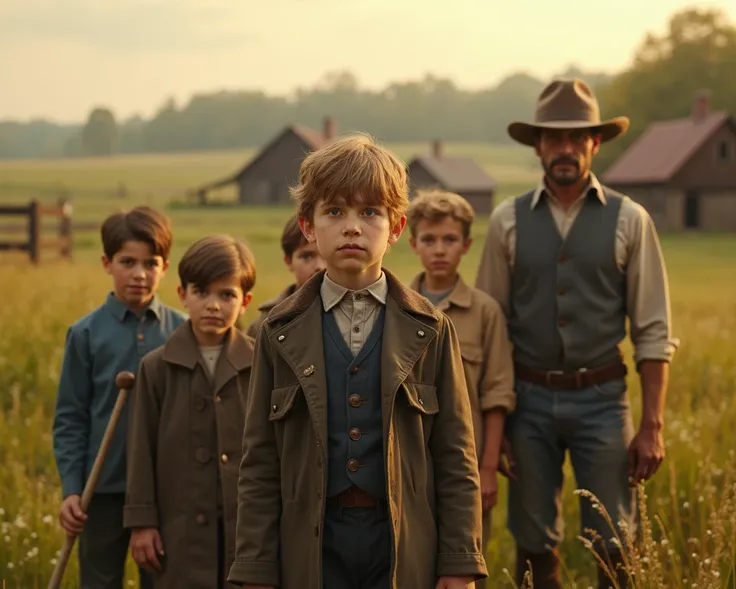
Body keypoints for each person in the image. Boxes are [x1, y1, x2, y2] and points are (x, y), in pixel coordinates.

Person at [228, 134, 488, 589]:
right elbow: (260, 463)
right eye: (335, 212)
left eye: (369, 212)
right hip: (310, 543)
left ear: (397, 227)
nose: (352, 227)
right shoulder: (277, 332)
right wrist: (256, 568)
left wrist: (459, 563)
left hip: (402, 543)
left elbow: (455, 457)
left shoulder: (432, 330)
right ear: (308, 227)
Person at [474, 78, 679, 589]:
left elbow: (653, 329)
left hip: (603, 400)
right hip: (527, 400)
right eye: (554, 138)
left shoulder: (631, 220)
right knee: (532, 539)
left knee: (616, 538)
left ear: (595, 143)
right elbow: (490, 327)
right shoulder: (507, 222)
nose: (565, 148)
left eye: (577, 137)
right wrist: (490, 429)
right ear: (538, 145)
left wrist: (651, 424)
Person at [52, 206, 187, 589]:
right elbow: (70, 418)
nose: (140, 274)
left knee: (164, 580)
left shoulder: (183, 332)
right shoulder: (85, 335)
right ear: (106, 263)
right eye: (128, 262)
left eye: (151, 263)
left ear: (165, 267)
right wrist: (72, 490)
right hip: (103, 490)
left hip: (166, 491)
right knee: (99, 580)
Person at [124, 234, 257, 588]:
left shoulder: (262, 365)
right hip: (177, 526)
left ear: (245, 302)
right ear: (182, 295)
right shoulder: (156, 368)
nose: (213, 305)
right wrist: (142, 523)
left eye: (226, 294)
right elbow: (141, 449)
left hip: (245, 529)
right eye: (201, 292)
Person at [406, 189, 515, 589]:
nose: (439, 250)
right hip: (409, 465)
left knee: (464, 566)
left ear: (466, 245)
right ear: (412, 242)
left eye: (450, 240)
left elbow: (497, 395)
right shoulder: (395, 306)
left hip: (464, 469)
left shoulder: (485, 312)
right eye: (429, 240)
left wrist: (487, 470)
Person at [245, 213, 325, 338]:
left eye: (326, 255)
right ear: (288, 261)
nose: (319, 266)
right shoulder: (269, 320)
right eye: (307, 257)